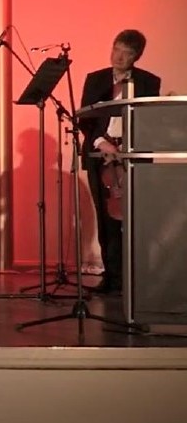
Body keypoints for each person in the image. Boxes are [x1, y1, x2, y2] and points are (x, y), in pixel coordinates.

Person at [77, 29, 161, 294]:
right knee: (107, 219)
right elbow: (85, 120)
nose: (119, 57)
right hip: (100, 156)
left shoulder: (149, 81)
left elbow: (148, 119)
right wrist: (102, 142)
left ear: (137, 56)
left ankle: (137, 278)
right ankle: (112, 278)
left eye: (127, 53)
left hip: (132, 156)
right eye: (116, 49)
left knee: (136, 218)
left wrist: (127, 146)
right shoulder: (95, 79)